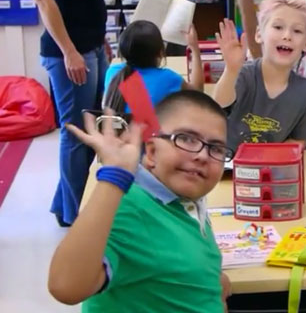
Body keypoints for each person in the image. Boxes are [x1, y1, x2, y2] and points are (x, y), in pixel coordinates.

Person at [47, 91, 234, 311]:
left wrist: (209, 280)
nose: (202, 155)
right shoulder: (128, 207)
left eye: (216, 148)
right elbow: (65, 286)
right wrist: (114, 177)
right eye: (186, 139)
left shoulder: (184, 201)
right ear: (152, 152)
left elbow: (163, 259)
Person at [29, 0, 110, 227]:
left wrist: (101, 39)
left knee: (96, 128)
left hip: (93, 45)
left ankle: (64, 204)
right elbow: (44, 0)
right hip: (69, 53)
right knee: (77, 133)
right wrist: (69, 51)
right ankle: (75, 217)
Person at [212, 0, 306, 151]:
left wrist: (265, 159)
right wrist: (231, 69)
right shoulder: (244, 75)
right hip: (226, 167)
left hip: (271, 169)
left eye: (297, 31)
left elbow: (298, 140)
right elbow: (219, 104)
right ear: (259, 34)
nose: (287, 36)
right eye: (278, 27)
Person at [102, 20, 204, 113]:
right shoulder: (169, 78)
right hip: (154, 133)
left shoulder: (112, 72)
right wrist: (194, 48)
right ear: (160, 52)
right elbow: (198, 93)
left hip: (119, 131)